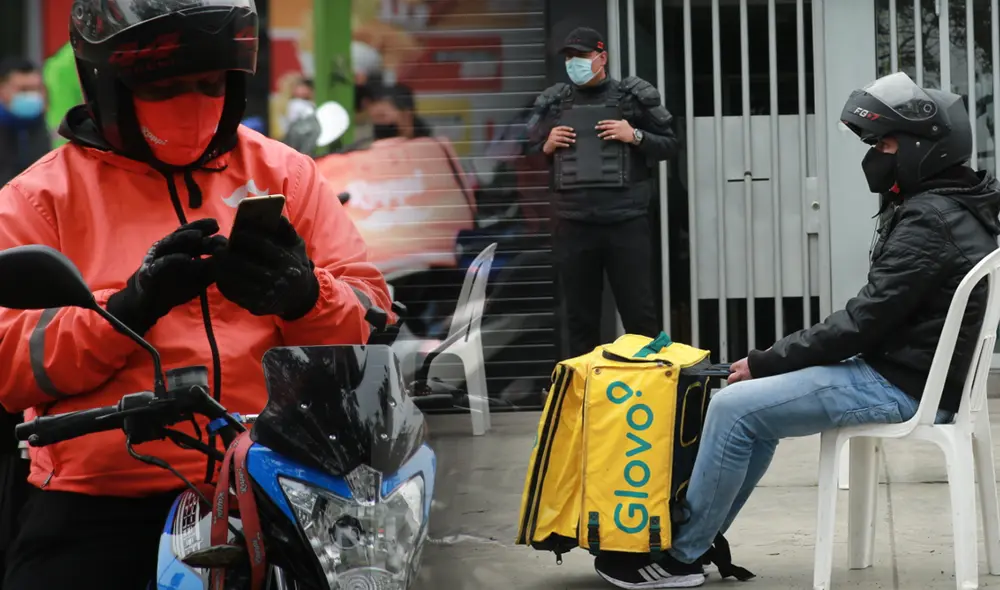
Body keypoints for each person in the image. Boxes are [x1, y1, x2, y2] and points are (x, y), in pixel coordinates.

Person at [0, 1, 393, 588]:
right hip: (104, 498)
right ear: (108, 85)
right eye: (165, 87)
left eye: (211, 83)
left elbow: (373, 315)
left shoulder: (287, 175)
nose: (194, 102)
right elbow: (8, 363)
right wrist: (126, 310)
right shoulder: (39, 199)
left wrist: (306, 297)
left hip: (278, 481)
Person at [592, 71, 1000, 589]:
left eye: (884, 144)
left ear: (925, 148)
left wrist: (766, 360)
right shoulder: (959, 206)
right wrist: (775, 364)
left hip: (901, 385)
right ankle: (697, 541)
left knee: (732, 407)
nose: (875, 154)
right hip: (915, 375)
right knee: (752, 411)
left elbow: (860, 324)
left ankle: (679, 556)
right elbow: (874, 320)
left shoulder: (929, 220)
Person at [526, 27, 679, 359]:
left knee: (640, 317)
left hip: (625, 223)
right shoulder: (554, 103)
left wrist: (634, 135)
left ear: (601, 57)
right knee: (579, 320)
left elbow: (670, 144)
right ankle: (586, 389)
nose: (574, 63)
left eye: (581, 56)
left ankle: (647, 385)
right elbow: (525, 153)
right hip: (573, 225)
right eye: (569, 57)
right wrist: (546, 146)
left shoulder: (632, 98)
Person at [0, 57, 51, 186]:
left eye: (36, 89)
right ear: (2, 90)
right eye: (23, 89)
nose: (31, 96)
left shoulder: (50, 128)